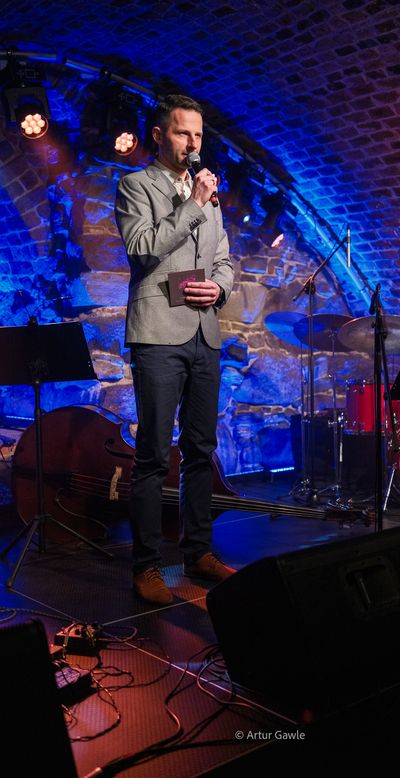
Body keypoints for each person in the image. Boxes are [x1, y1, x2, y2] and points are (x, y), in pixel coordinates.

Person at [115, 93, 235, 605]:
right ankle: (145, 566)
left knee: (201, 450)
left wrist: (220, 288)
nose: (193, 143)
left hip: (204, 333)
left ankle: (198, 552)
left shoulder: (209, 195)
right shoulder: (135, 185)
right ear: (160, 135)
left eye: (199, 135)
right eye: (184, 132)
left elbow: (224, 258)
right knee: (152, 454)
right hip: (158, 333)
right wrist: (192, 205)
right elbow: (143, 248)